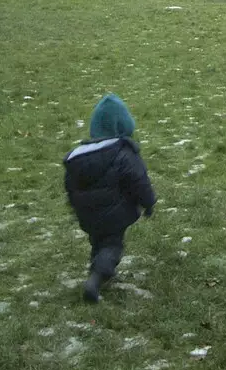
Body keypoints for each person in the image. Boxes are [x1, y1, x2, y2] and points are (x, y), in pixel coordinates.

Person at [64, 94, 157, 303]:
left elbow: (69, 186)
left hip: (87, 213)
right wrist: (148, 203)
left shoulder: (78, 156)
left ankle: (99, 270)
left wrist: (75, 207)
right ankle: (96, 279)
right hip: (115, 213)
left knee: (98, 241)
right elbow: (139, 180)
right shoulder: (124, 153)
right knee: (112, 245)